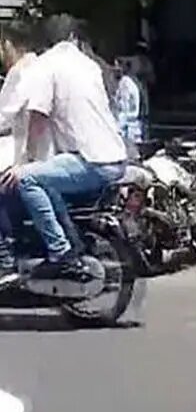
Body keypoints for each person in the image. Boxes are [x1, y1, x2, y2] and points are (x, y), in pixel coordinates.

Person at [0, 14, 128, 282]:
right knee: (45, 181)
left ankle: (60, 253)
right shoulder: (89, 65)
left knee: (27, 179)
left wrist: (23, 163)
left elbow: (37, 116)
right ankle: (70, 243)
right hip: (116, 154)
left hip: (91, 160)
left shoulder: (46, 66)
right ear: (72, 37)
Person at [0, 19, 51, 285]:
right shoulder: (42, 66)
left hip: (30, 156)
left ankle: (6, 257)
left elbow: (3, 115)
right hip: (45, 153)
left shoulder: (20, 72)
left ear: (8, 44)